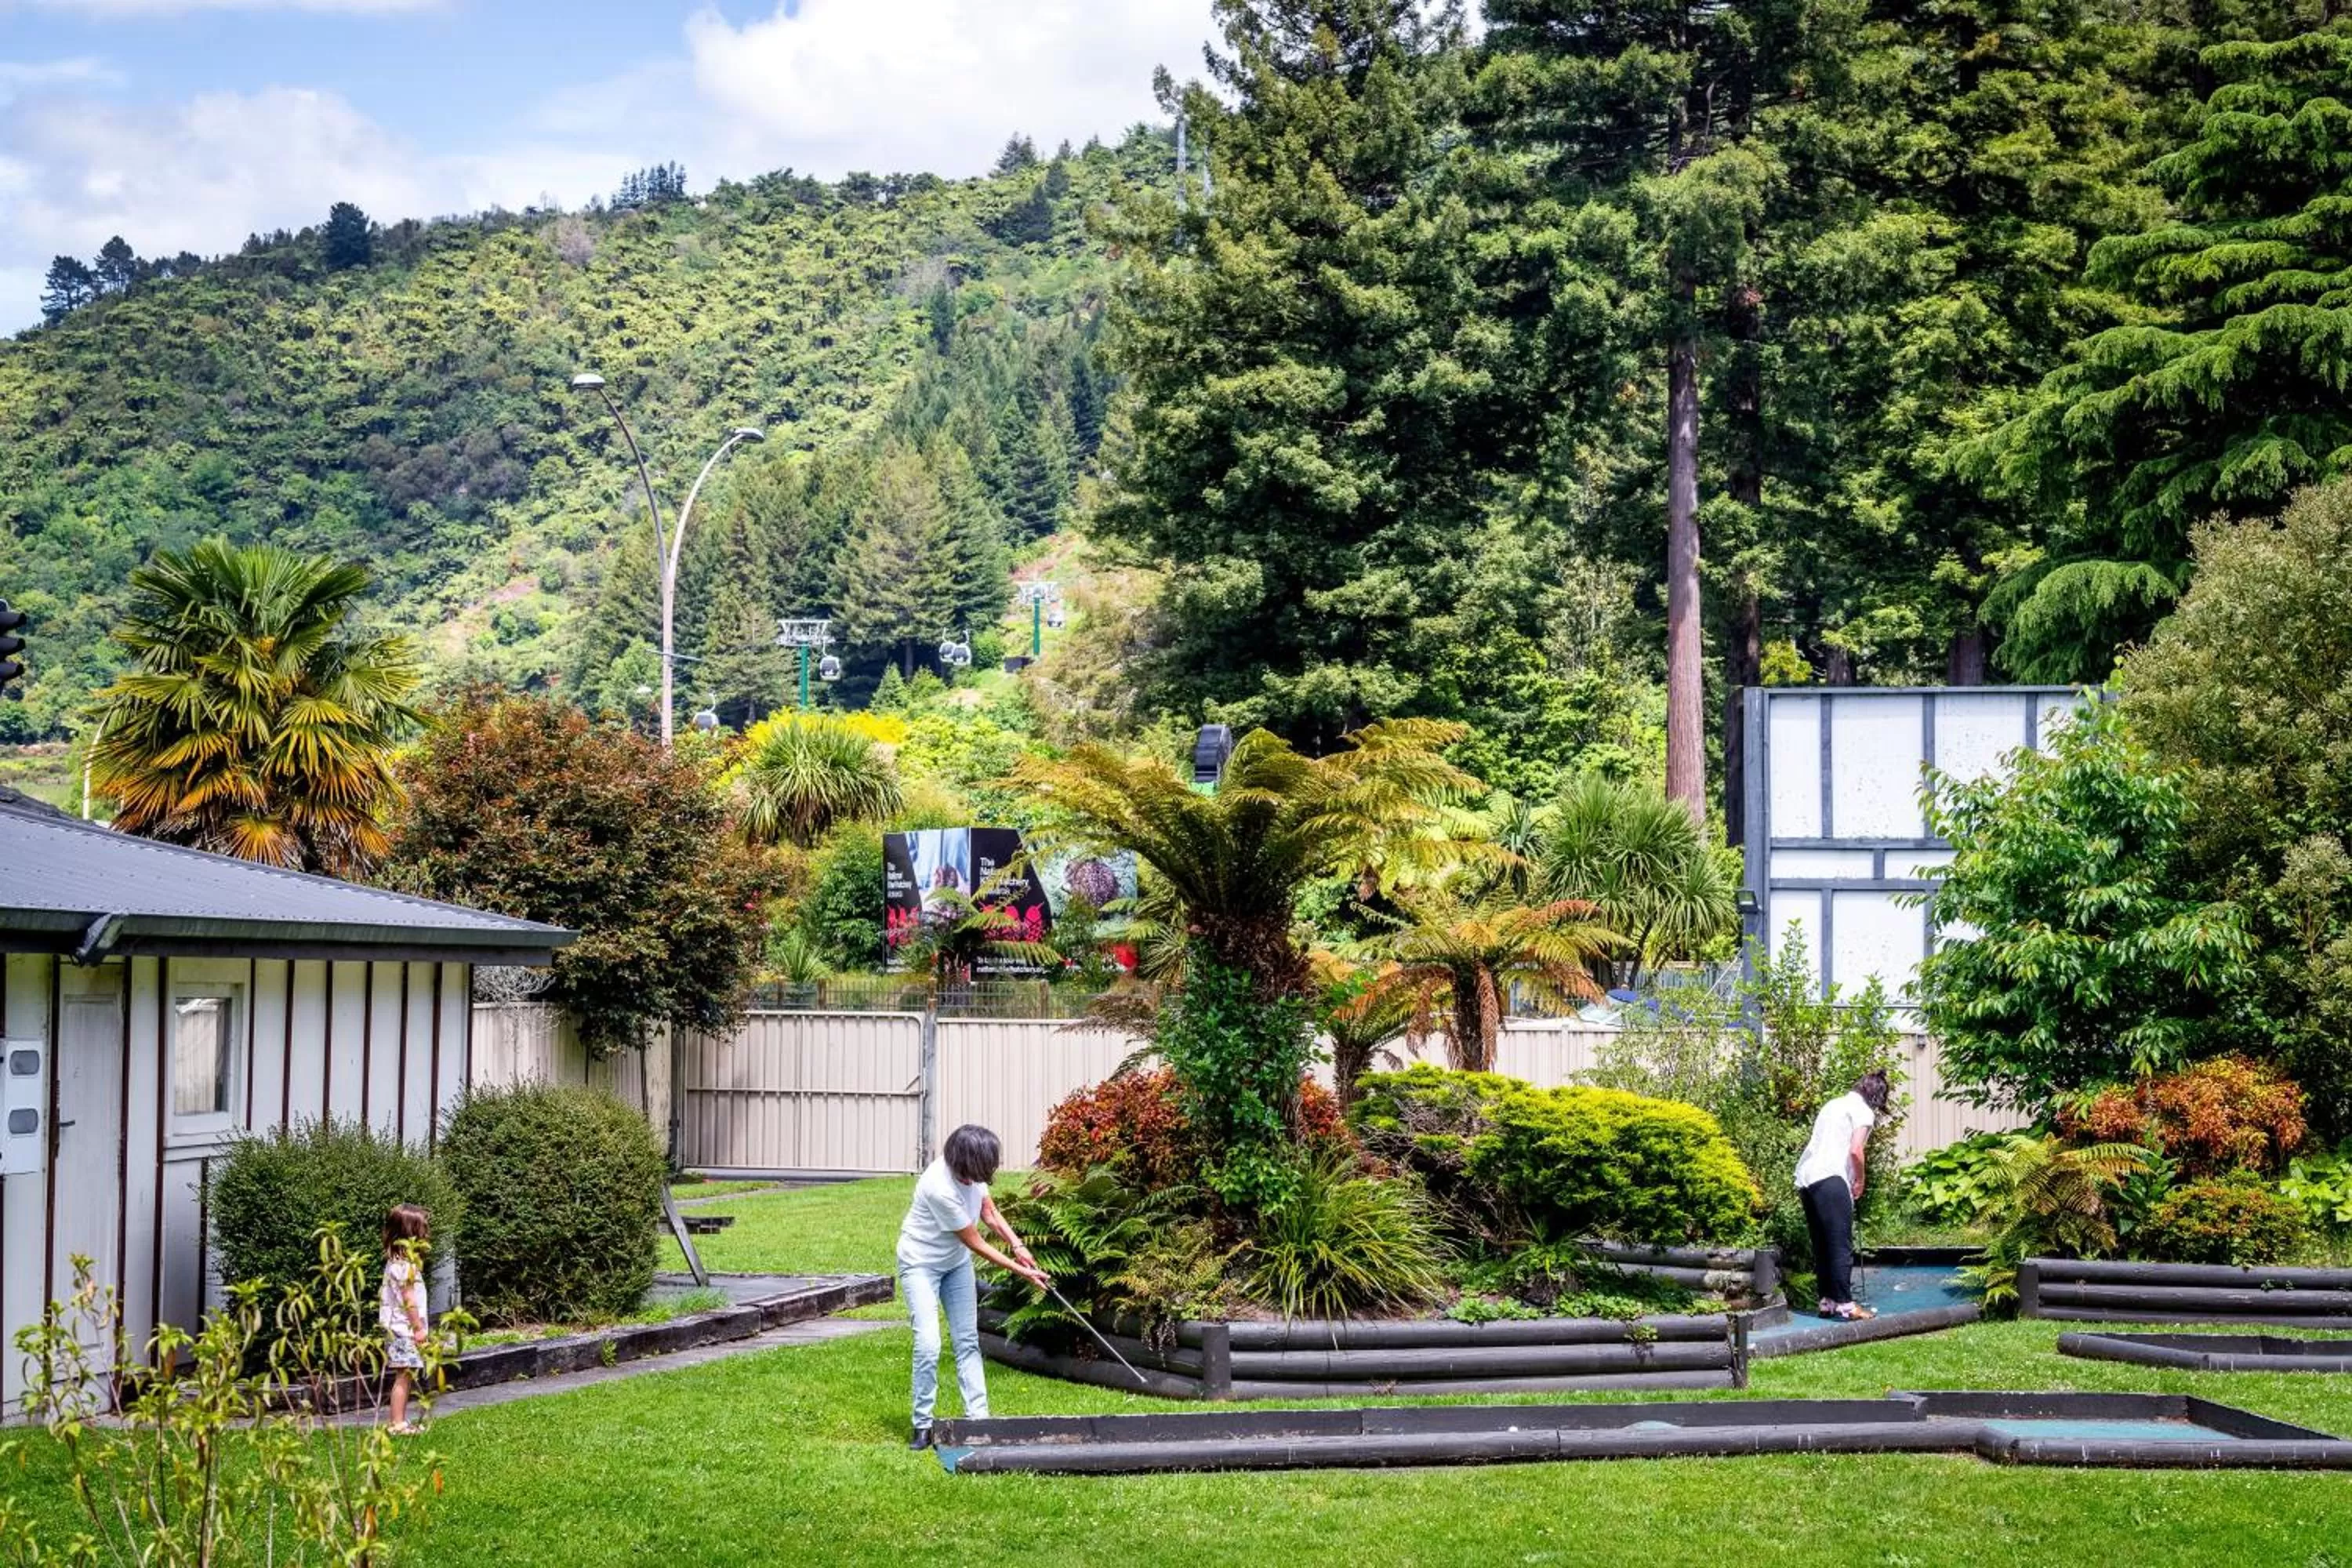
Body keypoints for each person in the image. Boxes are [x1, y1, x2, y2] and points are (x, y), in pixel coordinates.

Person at [898, 1123, 1048, 1450]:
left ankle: (979, 1420)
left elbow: (989, 1213)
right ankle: (922, 1424)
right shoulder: (938, 1187)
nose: (980, 1179)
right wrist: (1022, 1271)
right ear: (963, 1162)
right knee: (928, 1344)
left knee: (967, 1341)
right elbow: (976, 1242)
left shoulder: (973, 1171)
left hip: (955, 1264)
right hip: (920, 1265)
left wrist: (1019, 1246)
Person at [1795, 1070, 1890, 1322]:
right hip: (1831, 1177)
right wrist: (1860, 1180)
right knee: (1840, 1245)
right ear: (1877, 1097)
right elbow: (1856, 1151)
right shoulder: (1864, 1111)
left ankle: (1827, 1302)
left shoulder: (1833, 1105)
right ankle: (1847, 1306)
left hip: (1806, 1177)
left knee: (1822, 1244)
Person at [380, 1203, 433, 1435]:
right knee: (404, 1375)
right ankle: (397, 1423)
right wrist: (418, 1329)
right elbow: (409, 1299)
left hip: (399, 1329)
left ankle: (399, 1420)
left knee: (405, 1374)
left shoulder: (397, 1262)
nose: (426, 1234)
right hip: (404, 1330)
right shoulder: (404, 1266)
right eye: (423, 1229)